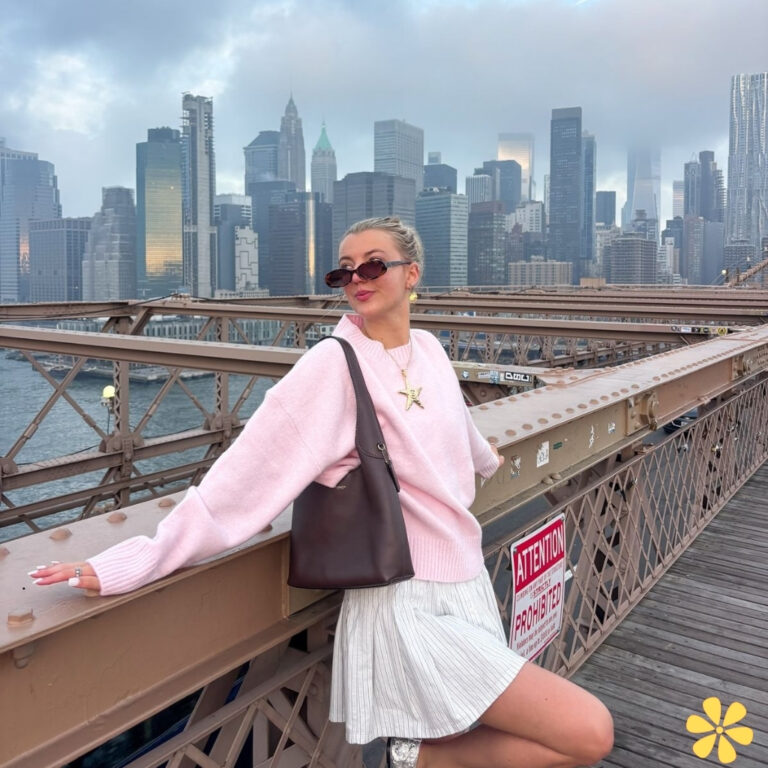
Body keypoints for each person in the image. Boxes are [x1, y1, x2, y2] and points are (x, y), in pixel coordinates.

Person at [30, 217, 613, 768]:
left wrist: (489, 460)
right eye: (343, 271)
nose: (355, 279)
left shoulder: (431, 350)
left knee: (477, 741)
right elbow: (240, 484)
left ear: (413, 273)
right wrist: (132, 561)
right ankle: (413, 758)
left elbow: (455, 430)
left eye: (372, 265)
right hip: (403, 600)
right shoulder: (330, 368)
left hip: (466, 586)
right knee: (588, 732)